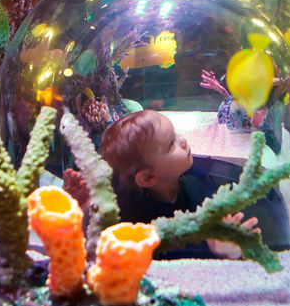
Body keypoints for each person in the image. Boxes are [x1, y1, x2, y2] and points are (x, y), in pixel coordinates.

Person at [100, 109, 259, 259]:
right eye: (171, 144)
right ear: (148, 177)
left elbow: (215, 208)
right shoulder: (136, 219)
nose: (182, 140)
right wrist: (214, 249)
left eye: (175, 134)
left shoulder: (194, 177)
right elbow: (170, 254)